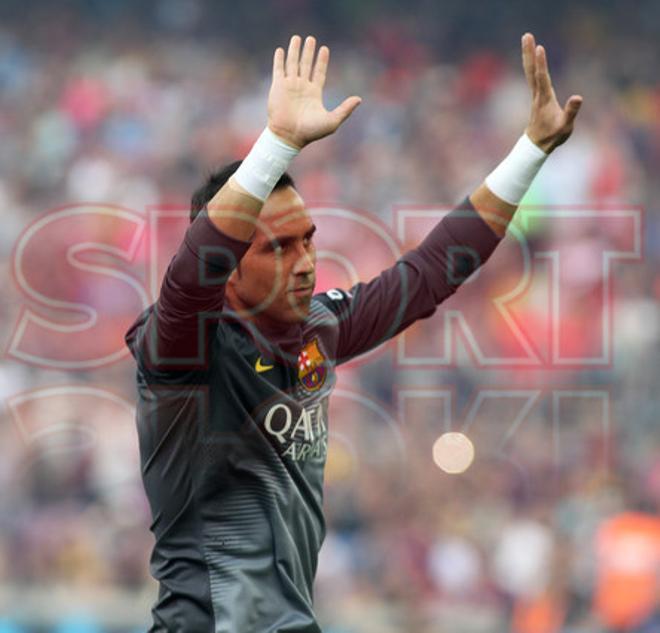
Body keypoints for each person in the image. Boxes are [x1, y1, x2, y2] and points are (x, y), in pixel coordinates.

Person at [125, 32, 582, 632]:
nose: (307, 260)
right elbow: (191, 272)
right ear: (231, 269)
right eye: (280, 248)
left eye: (309, 238)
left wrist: (532, 148)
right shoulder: (185, 347)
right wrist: (278, 145)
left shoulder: (320, 323)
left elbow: (427, 274)